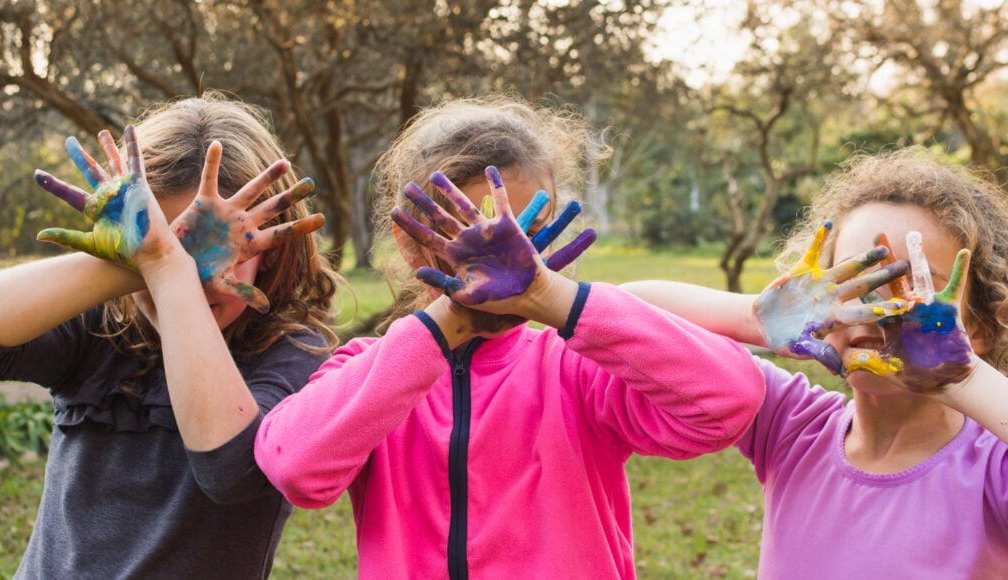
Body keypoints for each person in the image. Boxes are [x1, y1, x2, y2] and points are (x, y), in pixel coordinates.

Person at [253, 96, 766, 578]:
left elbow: (729, 399)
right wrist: (449, 319)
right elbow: (296, 469)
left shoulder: (575, 370)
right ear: (413, 246)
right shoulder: (372, 372)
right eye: (471, 232)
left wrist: (557, 298)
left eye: (528, 230)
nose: (508, 254)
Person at [0, 93, 339, 578]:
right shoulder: (103, 328)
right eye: (161, 242)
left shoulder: (296, 355)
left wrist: (166, 266)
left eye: (216, 252)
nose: (187, 277)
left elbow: (229, 471)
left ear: (273, 248)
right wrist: (145, 262)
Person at [623, 146, 1008, 578]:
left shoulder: (992, 468)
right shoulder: (790, 423)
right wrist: (750, 317)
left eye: (914, 285)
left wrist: (967, 377)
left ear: (982, 327)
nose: (875, 305)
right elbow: (623, 312)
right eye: (851, 278)